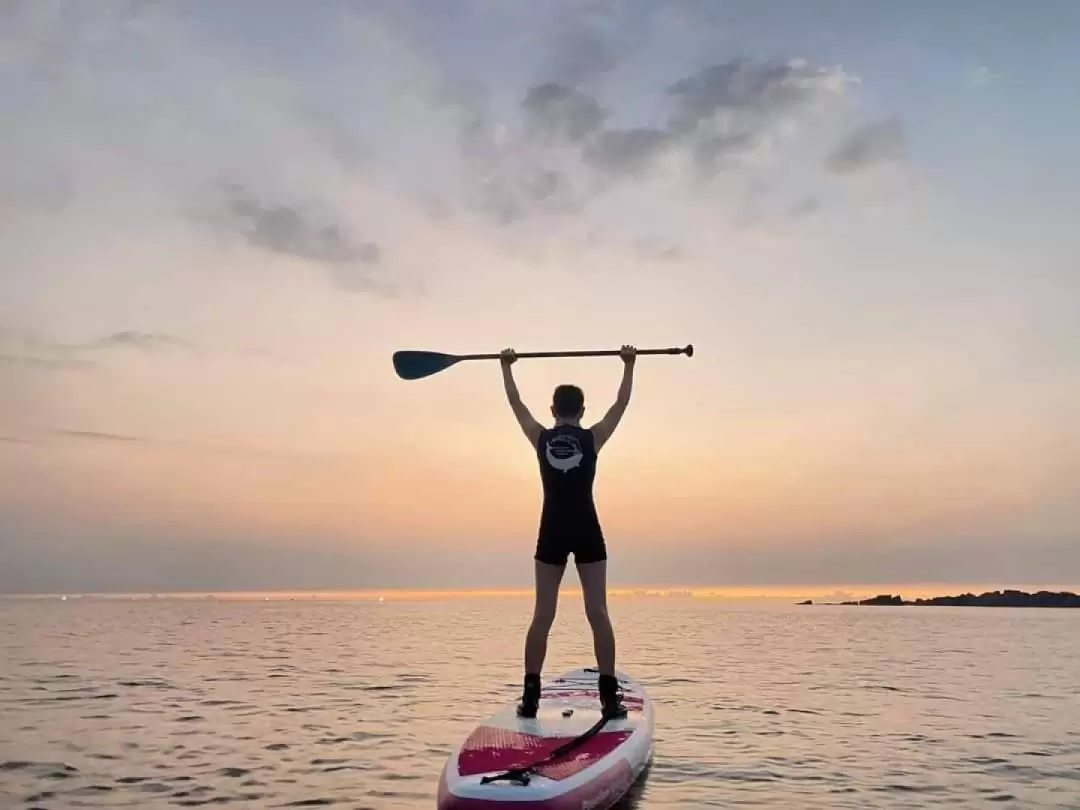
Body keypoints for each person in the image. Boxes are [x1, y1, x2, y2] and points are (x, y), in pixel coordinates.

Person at [499, 344, 637, 721]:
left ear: (553, 411)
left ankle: (530, 699)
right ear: (582, 411)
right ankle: (609, 700)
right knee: (598, 612)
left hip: (552, 530)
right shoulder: (592, 439)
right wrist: (629, 365)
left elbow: (517, 406)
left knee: (543, 614)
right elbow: (620, 406)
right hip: (587, 528)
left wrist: (506, 367)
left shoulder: (540, 438)